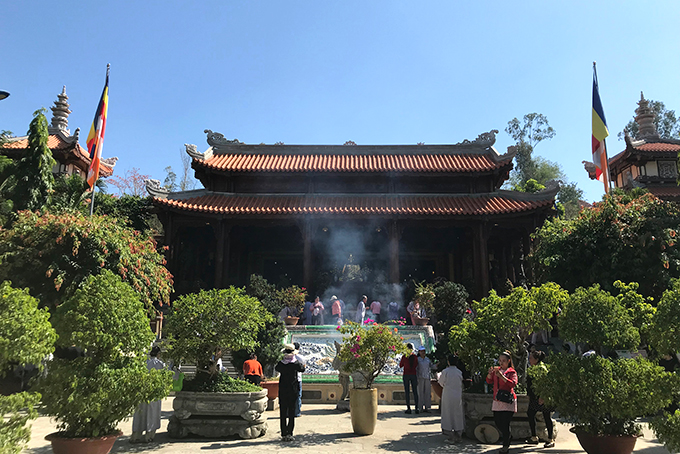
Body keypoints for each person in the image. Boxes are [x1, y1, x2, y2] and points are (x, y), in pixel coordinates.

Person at [131, 346, 165, 443]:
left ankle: (136, 435)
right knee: (152, 414)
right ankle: (149, 435)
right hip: (155, 391)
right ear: (158, 354)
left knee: (140, 414)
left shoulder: (144, 363)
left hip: (143, 391)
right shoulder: (160, 364)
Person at [486, 351, 518, 454]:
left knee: (505, 423)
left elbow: (513, 384)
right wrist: (490, 374)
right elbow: (489, 381)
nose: (501, 363)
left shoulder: (511, 372)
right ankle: (508, 437)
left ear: (508, 361)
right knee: (497, 422)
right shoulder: (498, 371)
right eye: (500, 361)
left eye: (503, 361)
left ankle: (505, 445)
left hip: (507, 400)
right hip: (497, 400)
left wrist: (502, 377)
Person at [275, 343, 306, 441]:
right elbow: (302, 369)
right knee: (291, 412)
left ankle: (284, 433)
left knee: (283, 413)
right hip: (293, 391)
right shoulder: (295, 363)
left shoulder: (281, 364)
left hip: (283, 390)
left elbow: (277, 368)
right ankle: (290, 433)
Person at [526, 351, 555, 448]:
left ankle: (550, 439)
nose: (529, 360)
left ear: (536, 359)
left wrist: (542, 396)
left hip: (542, 396)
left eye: (531, 358)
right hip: (534, 397)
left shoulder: (541, 368)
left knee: (546, 416)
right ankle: (534, 437)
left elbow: (545, 383)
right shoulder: (532, 368)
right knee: (530, 413)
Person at [439, 354, 465, 443]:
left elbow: (441, 382)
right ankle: (458, 434)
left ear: (448, 361)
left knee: (447, 413)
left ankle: (450, 435)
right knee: (457, 413)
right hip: (457, 395)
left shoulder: (445, 371)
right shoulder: (459, 372)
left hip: (448, 395)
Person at [399, 343, 419, 414]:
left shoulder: (404, 357)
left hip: (406, 375)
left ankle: (409, 408)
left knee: (407, 392)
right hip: (413, 375)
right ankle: (417, 408)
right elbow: (416, 365)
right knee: (415, 392)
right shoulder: (415, 357)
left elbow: (400, 365)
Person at [416, 346, 435, 413]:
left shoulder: (427, 359)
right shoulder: (417, 359)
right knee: (420, 393)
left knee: (427, 393)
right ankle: (420, 407)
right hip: (420, 378)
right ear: (419, 352)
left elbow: (431, 366)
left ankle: (428, 407)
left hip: (427, 377)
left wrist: (437, 365)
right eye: (421, 351)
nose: (423, 352)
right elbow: (416, 369)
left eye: (424, 351)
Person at [293, 342, 306, 417]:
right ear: (298, 348)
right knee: (298, 396)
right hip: (298, 379)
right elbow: (304, 367)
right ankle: (297, 412)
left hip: (289, 379)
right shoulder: (301, 358)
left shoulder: (285, 357)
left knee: (290, 395)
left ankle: (289, 412)